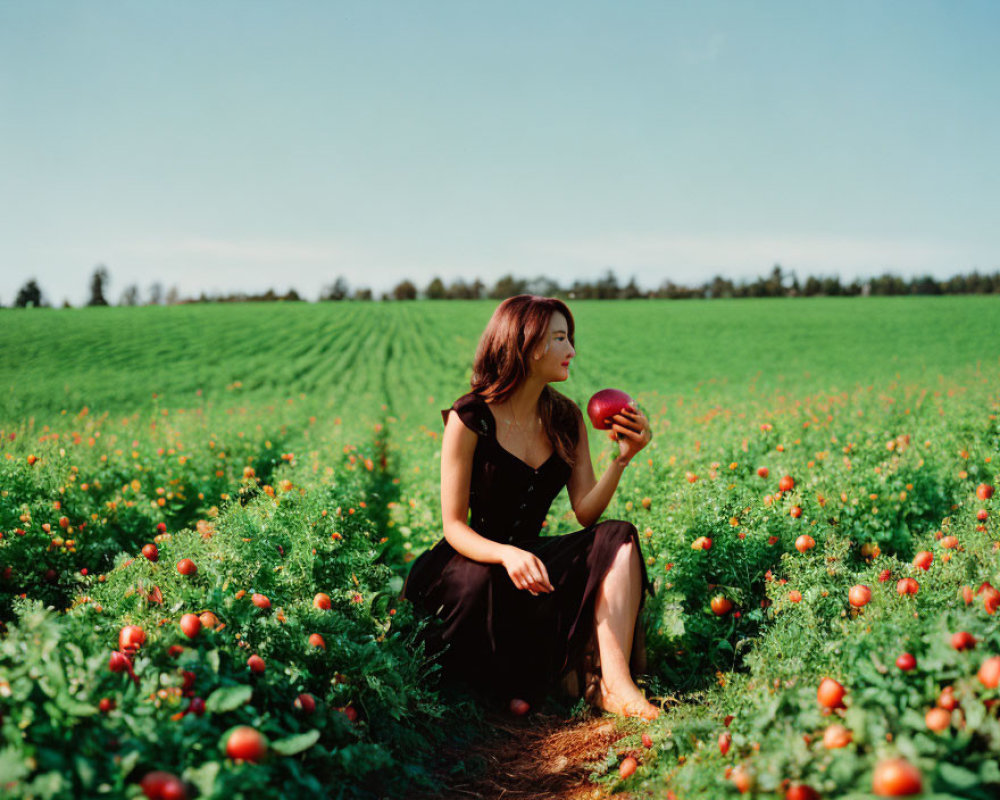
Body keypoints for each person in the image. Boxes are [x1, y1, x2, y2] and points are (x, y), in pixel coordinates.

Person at [400, 295, 658, 719]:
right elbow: (453, 526)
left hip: (530, 552)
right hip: (471, 555)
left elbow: (586, 512)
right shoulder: (471, 417)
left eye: (569, 338)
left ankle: (613, 685)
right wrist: (506, 553)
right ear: (525, 343)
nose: (571, 351)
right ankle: (515, 681)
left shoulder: (565, 418)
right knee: (481, 582)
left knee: (618, 535)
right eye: (559, 338)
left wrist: (622, 459)